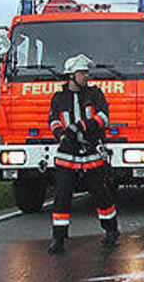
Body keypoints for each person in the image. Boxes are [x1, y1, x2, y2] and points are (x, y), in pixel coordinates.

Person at [47, 54, 118, 255]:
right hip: (67, 156)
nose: (87, 76)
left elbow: (103, 116)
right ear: (71, 75)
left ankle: (111, 231)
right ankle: (58, 239)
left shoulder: (95, 94)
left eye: (87, 72)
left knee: (101, 194)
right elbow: (53, 120)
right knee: (61, 197)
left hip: (91, 153)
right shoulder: (59, 98)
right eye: (83, 73)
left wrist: (81, 126)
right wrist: (61, 134)